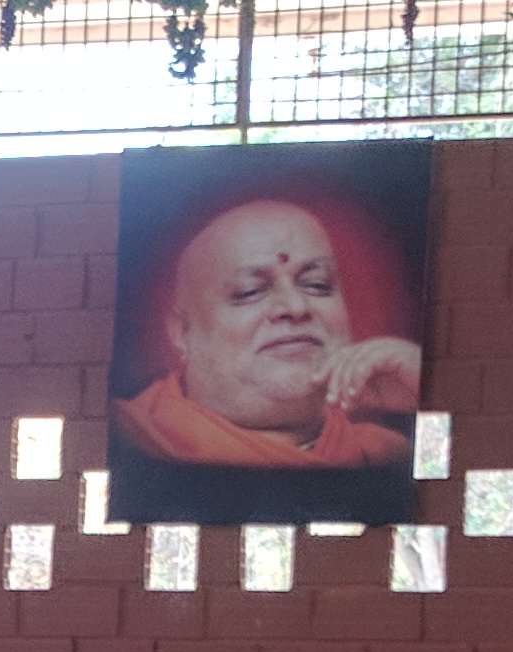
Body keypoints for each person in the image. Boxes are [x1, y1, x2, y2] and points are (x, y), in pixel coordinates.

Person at [111, 198, 419, 486]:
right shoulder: (129, 440)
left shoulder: (388, 453)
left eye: (317, 285)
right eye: (250, 291)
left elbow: (437, 486)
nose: (295, 307)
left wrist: (426, 393)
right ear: (182, 332)